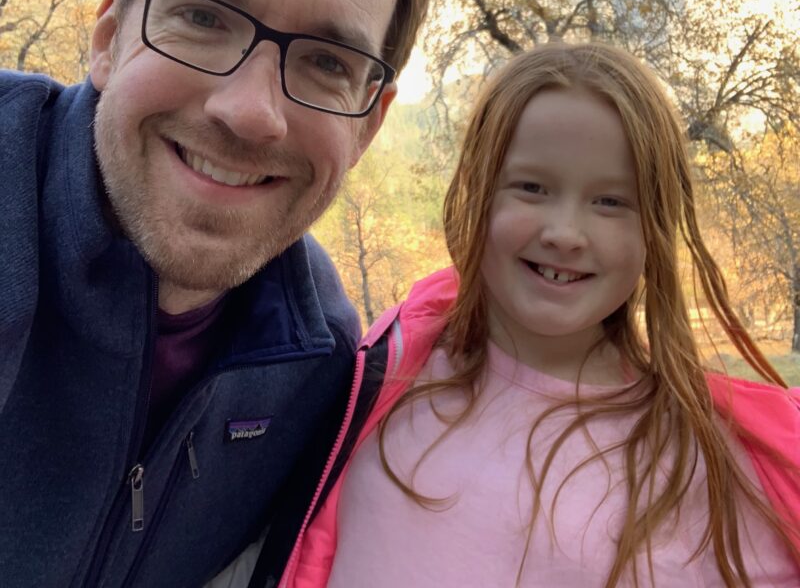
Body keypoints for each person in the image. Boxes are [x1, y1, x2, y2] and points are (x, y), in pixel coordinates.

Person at [0, 0, 432, 588]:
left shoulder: (320, 363)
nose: (250, 110)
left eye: (328, 62)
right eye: (200, 16)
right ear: (108, 36)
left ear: (368, 126)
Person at [265, 43, 800, 588]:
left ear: (654, 226)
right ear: (479, 192)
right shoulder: (385, 368)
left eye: (611, 201)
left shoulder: (717, 467)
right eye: (532, 188)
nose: (565, 233)